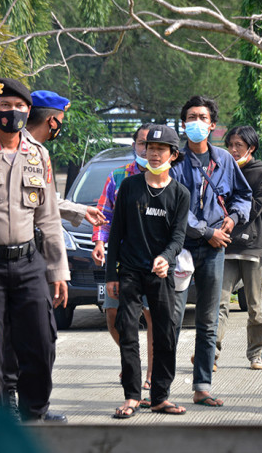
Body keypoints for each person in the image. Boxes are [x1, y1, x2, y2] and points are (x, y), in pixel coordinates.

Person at [0, 78, 69, 422]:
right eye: (5, 106)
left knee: (41, 343)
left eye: (19, 107)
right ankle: (0, 415)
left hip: (29, 263)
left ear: (29, 111)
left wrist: (58, 272)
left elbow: (50, 217)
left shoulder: (38, 154)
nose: (12, 113)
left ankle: (36, 413)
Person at [171, 95, 252, 407]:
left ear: (213, 125)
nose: (196, 122)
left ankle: (202, 386)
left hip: (215, 251)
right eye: (191, 117)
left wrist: (233, 218)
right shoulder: (175, 162)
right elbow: (175, 208)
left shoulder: (225, 160)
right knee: (172, 319)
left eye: (202, 117)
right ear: (183, 124)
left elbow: (244, 196)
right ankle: (159, 386)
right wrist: (208, 232)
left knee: (208, 321)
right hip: (181, 249)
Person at [106, 125, 190, 418]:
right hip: (129, 270)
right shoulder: (129, 186)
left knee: (166, 334)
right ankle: (131, 396)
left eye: (160, 150)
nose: (153, 154)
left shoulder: (180, 194)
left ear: (173, 155)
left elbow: (178, 237)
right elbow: (116, 232)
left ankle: (160, 397)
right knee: (127, 329)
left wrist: (166, 258)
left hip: (161, 274)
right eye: (150, 149)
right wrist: (111, 275)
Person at [92, 124, 154, 392]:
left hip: (155, 262)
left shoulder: (169, 179)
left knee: (154, 317)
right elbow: (103, 216)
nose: (147, 150)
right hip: (121, 261)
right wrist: (99, 242)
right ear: (134, 146)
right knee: (113, 315)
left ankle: (150, 374)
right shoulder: (117, 177)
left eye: (153, 146)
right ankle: (133, 361)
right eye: (143, 144)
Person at [215, 125, 262, 370]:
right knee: (218, 303)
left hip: (252, 246)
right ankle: (211, 355)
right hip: (225, 244)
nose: (233, 150)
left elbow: (254, 208)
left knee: (255, 306)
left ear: (251, 147)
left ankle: (256, 354)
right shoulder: (222, 170)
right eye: (230, 145)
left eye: (238, 145)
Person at [26, 90, 106, 227]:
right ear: (52, 121)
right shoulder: (19, 148)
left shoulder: (40, 152)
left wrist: (83, 210)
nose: (60, 126)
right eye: (61, 120)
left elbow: (45, 200)